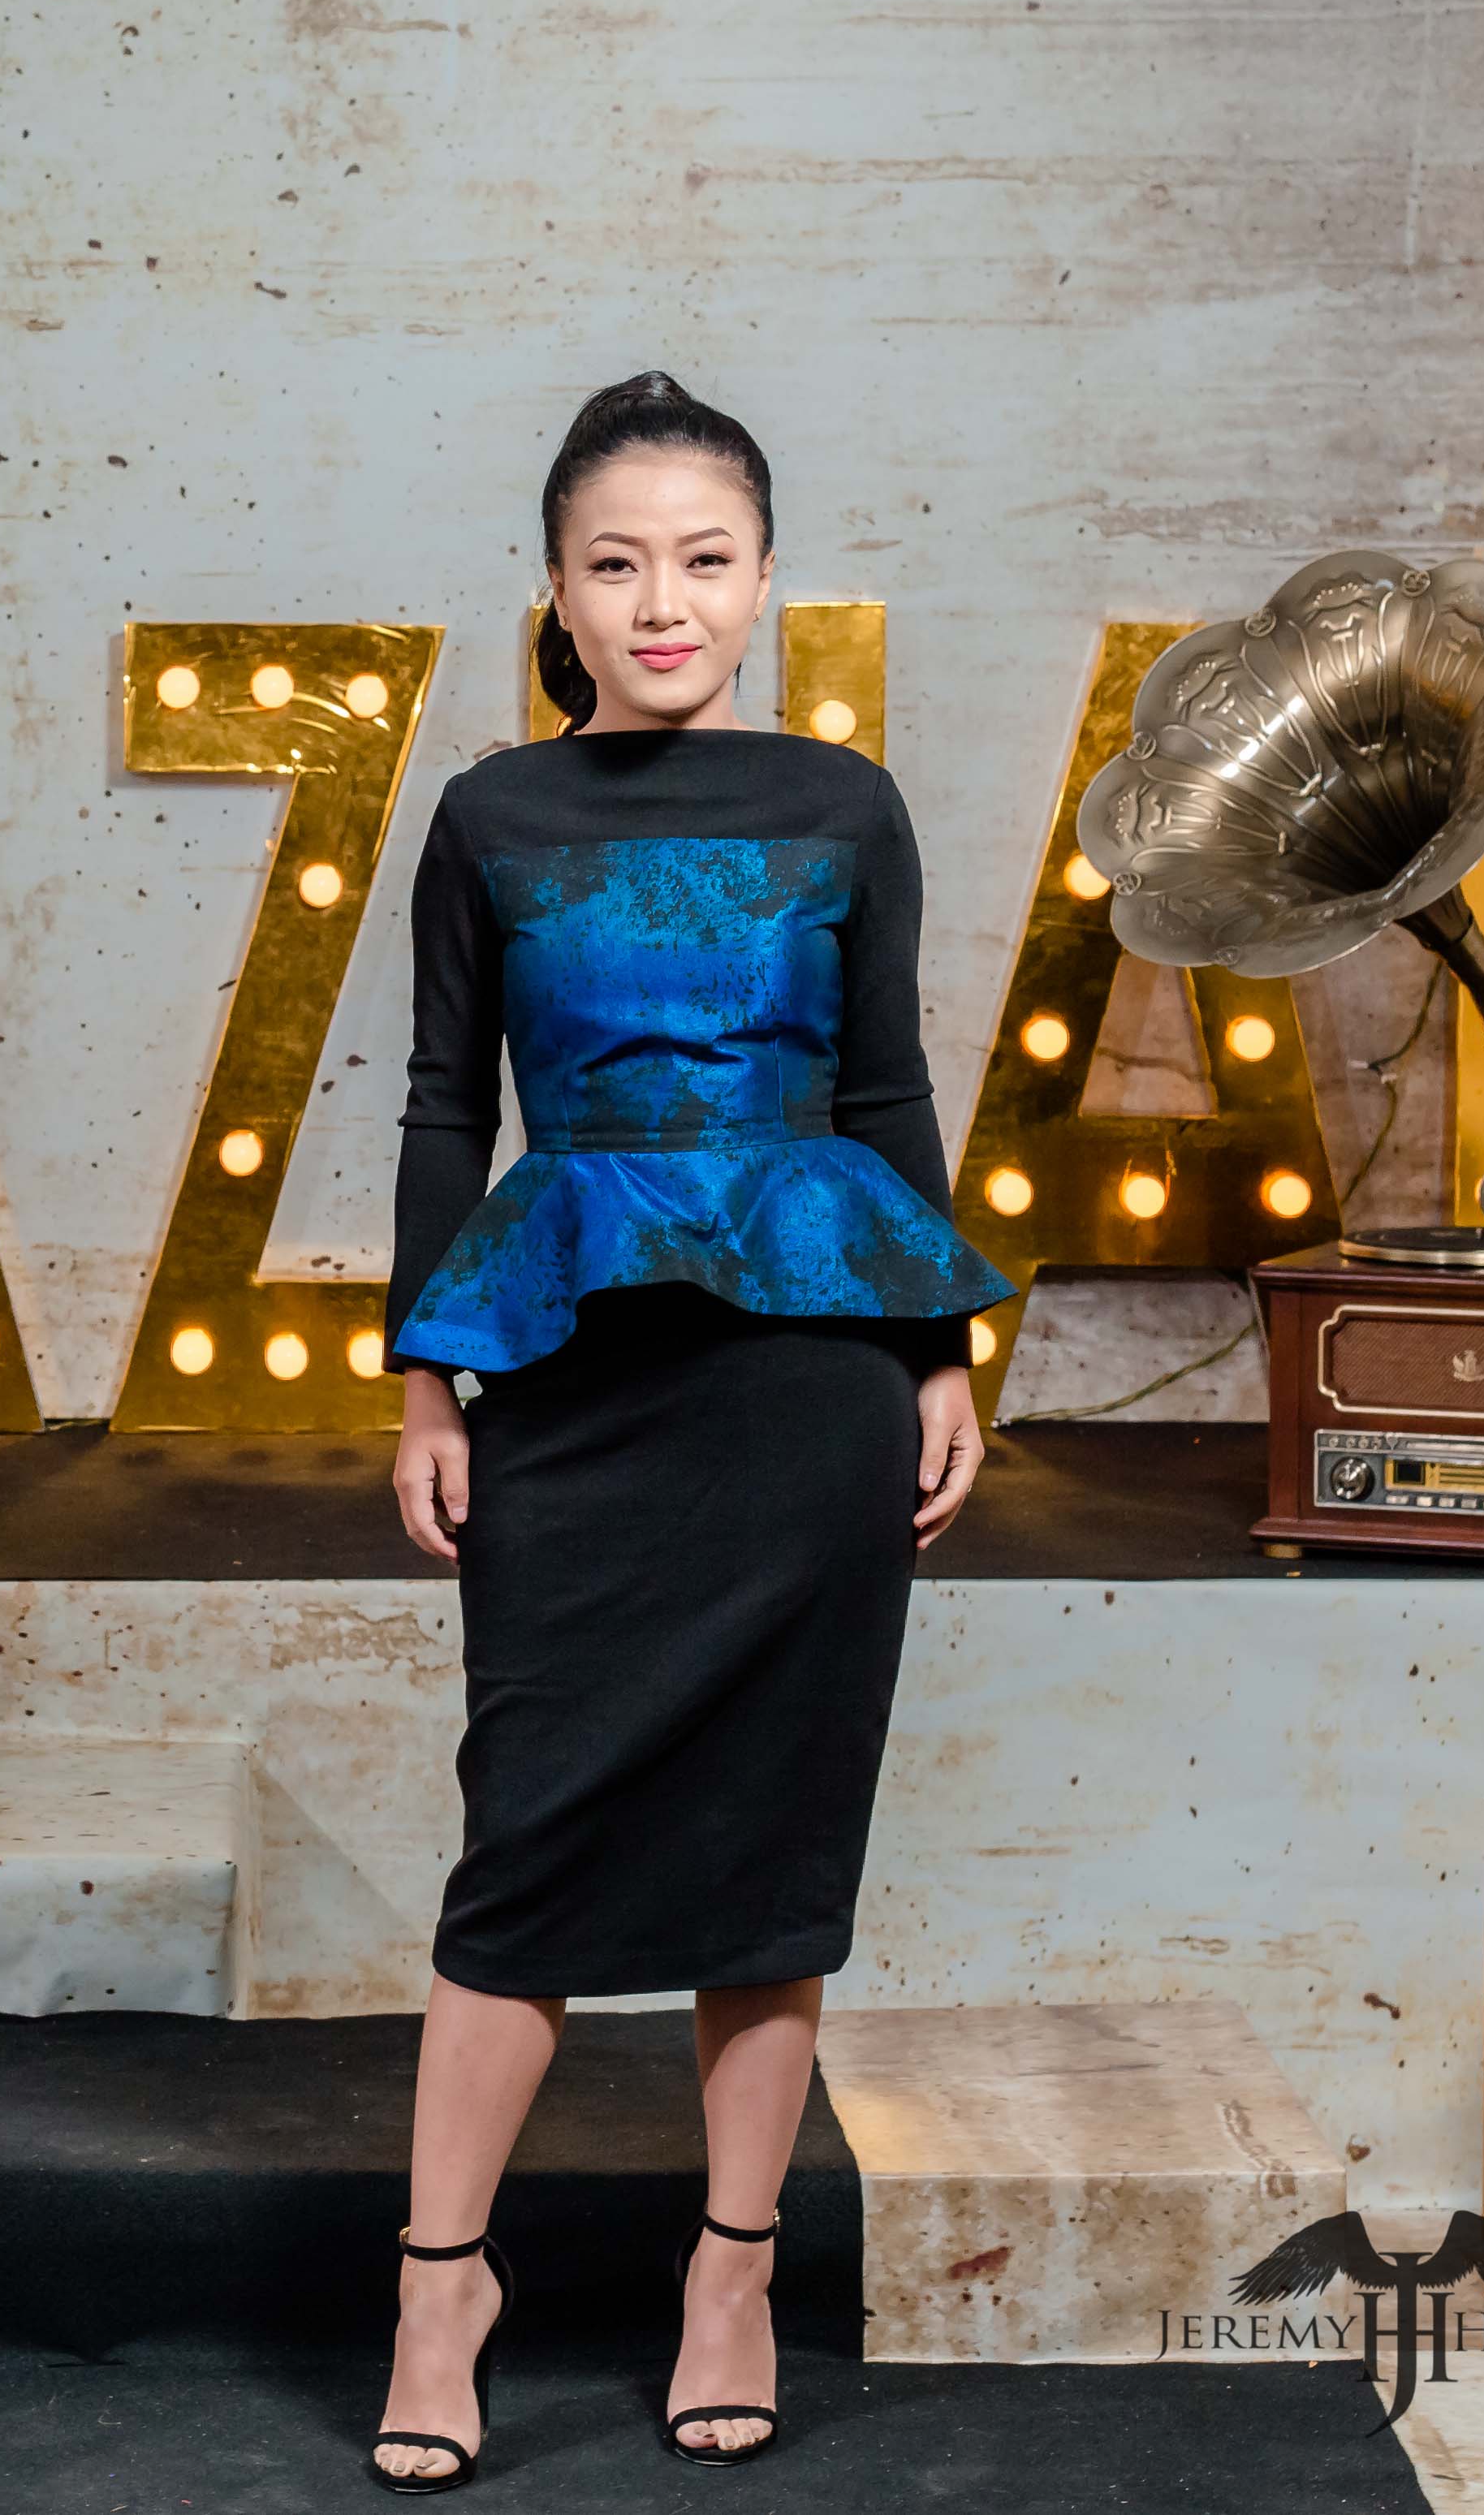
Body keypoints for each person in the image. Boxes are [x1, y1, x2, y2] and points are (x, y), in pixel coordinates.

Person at [360, 373, 1006, 2491]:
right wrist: (421, 1377)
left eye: (704, 559)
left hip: (813, 1386)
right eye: (617, 561)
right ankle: (437, 2284)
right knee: (523, 1843)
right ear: (555, 589)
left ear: (762, 578)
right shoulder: (491, 817)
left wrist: (938, 1354)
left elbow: (885, 1093)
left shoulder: (846, 805)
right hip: (567, 1374)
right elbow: (443, 1106)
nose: (663, 600)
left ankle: (732, 2278)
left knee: (766, 1857)